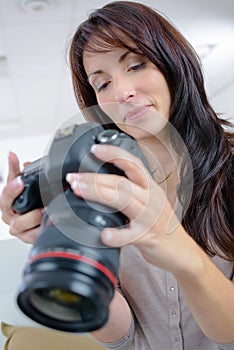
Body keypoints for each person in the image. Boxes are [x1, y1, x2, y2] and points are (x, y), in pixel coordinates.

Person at [0, 1, 233, 349]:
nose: (122, 93)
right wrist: (66, 250)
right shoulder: (97, 185)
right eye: (102, 83)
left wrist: (181, 253)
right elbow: (121, 335)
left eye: (136, 65)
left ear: (173, 64)